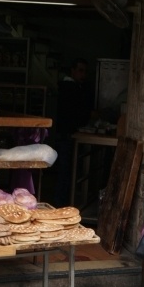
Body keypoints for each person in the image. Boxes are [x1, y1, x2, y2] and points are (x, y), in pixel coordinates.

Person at [53, 58, 94, 207]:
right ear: (73, 70)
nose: (83, 74)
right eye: (80, 70)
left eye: (85, 71)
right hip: (65, 134)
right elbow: (76, 113)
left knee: (66, 171)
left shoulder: (74, 87)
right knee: (64, 172)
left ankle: (62, 204)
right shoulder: (69, 88)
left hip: (67, 134)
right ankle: (60, 205)